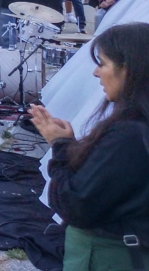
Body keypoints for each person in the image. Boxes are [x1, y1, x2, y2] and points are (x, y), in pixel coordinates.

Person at [31, 23, 149, 270]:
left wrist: (60, 146)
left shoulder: (128, 133)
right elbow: (114, 182)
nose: (96, 73)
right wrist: (75, 148)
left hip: (109, 255)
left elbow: (75, 206)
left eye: (103, 63)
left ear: (128, 69)